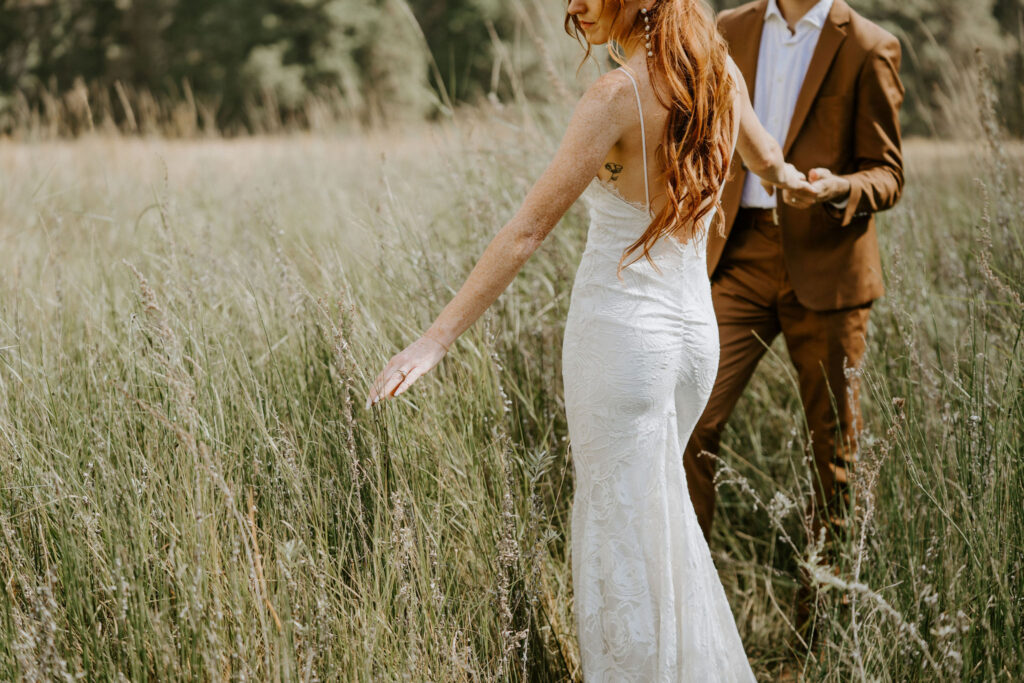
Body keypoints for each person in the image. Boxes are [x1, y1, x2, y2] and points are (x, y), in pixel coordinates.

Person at [368, 0, 811, 677]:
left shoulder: (616, 95)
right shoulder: (720, 72)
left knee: (620, 545)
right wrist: (794, 181)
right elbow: (769, 158)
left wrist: (434, 340)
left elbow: (525, 232)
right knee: (660, 536)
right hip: (695, 342)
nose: (572, 4)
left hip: (624, 341)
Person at [682, 0, 904, 633]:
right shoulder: (728, 29)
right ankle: (694, 614)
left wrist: (840, 188)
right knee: (689, 418)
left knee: (833, 455)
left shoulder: (868, 45)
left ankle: (817, 634)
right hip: (737, 255)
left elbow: (889, 174)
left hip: (829, 265)